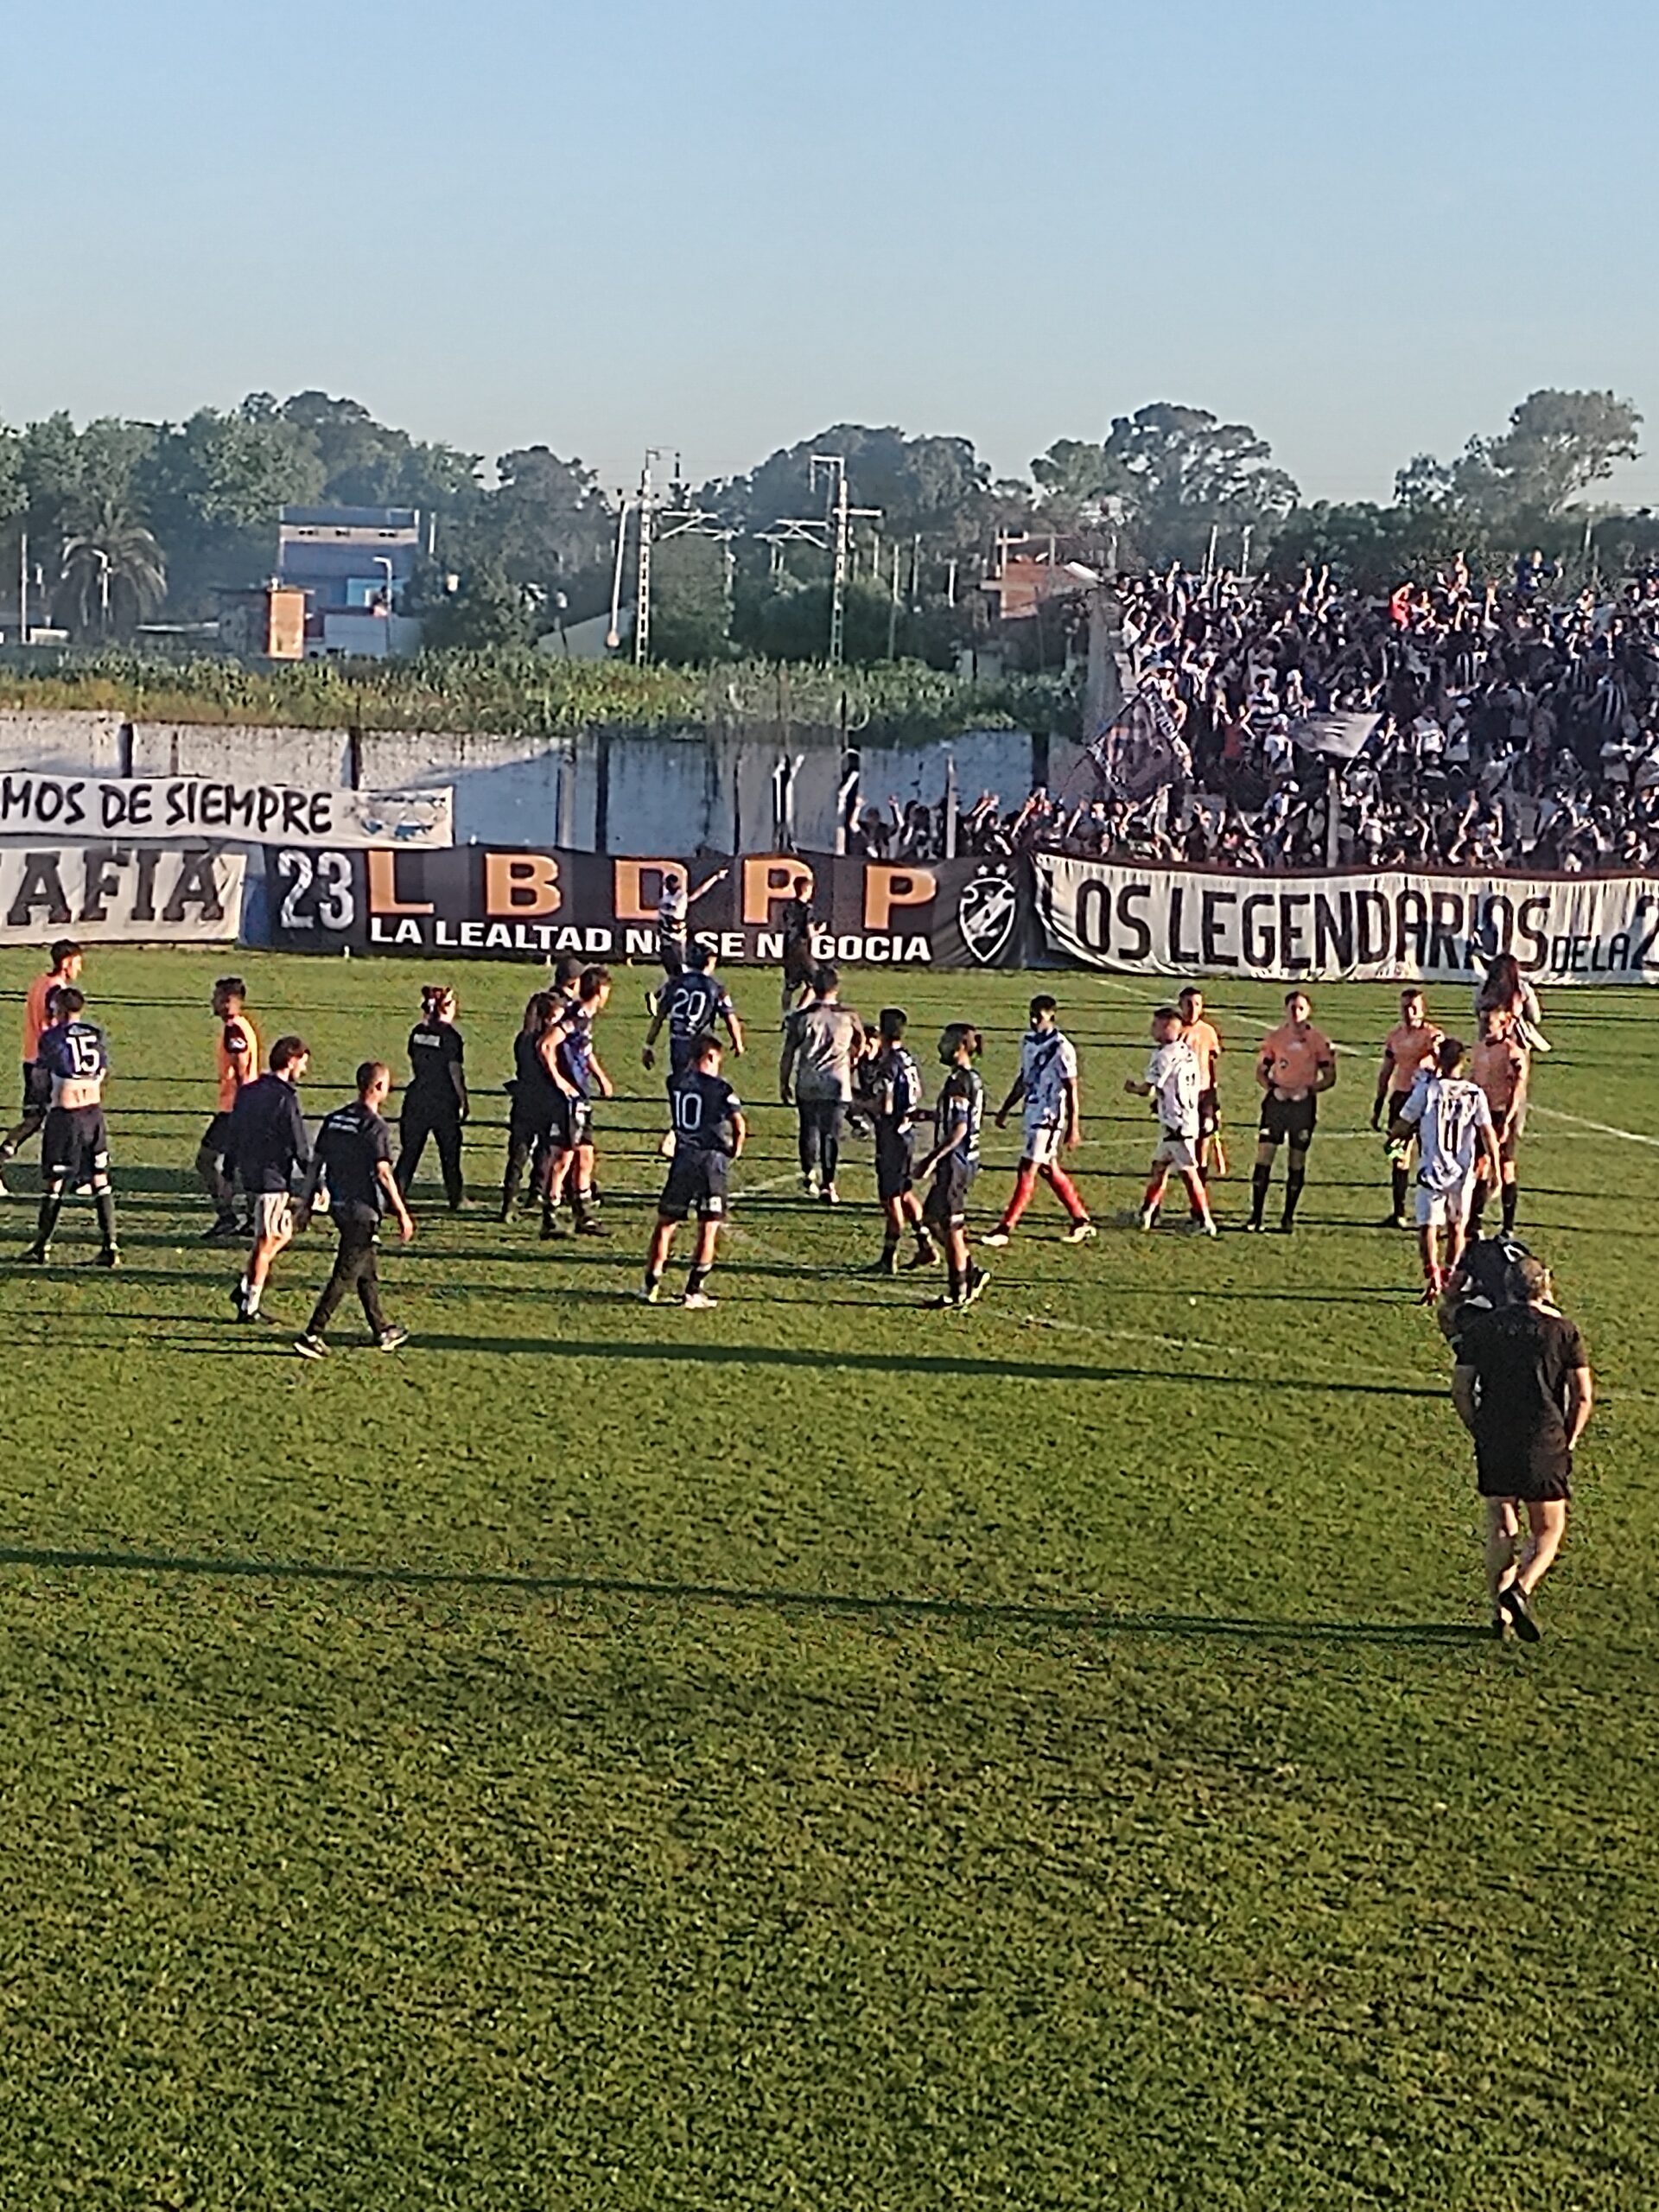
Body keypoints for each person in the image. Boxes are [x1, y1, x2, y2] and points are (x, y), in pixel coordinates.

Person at [1451, 1254, 1592, 1641]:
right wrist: (1570, 1440)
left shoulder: (1482, 1329)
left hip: (1496, 1435)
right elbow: (1582, 1397)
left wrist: (1478, 1428)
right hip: (1544, 1438)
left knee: (1500, 1521)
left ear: (1508, 1288)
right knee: (1548, 1529)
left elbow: (1461, 1389)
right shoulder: (1564, 1332)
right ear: (1544, 1287)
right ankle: (1521, 1589)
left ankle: (1500, 1613)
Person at [294, 1061, 414, 1359]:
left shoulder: (334, 1120)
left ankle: (381, 1329)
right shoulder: (375, 1127)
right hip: (363, 1211)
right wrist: (402, 1213)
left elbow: (315, 1164)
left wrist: (306, 1203)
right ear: (378, 1088)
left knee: (365, 1272)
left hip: (338, 1205)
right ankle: (313, 1333)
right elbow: (384, 1174)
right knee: (345, 1273)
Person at [640, 1033, 747, 1308]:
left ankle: (650, 1285)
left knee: (666, 1223)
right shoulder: (722, 1088)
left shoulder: (674, 1083)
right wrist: (735, 1148)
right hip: (711, 1161)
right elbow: (738, 1124)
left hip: (683, 1158)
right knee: (708, 1227)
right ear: (710, 1057)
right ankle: (693, 1291)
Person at [1392, 1035, 1502, 1301]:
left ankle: (1433, 1277)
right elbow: (1488, 1134)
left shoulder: (1428, 1091)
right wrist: (1496, 1170)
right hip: (1462, 1174)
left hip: (1433, 1170)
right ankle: (1451, 1276)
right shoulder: (1474, 1093)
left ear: (1440, 1060)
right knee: (1457, 1227)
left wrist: (1393, 1138)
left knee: (1428, 1227)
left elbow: (1403, 1123)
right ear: (1462, 1063)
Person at [982, 995, 1094, 1248]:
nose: (1033, 1020)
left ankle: (1005, 1228)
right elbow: (1025, 1077)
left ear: (1051, 1016)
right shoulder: (1028, 1041)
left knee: (1027, 1168)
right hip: (1032, 1111)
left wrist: (1073, 1125)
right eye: (1031, 1014)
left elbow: (1071, 1087)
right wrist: (1005, 1109)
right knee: (1048, 1168)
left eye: (1039, 1016)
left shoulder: (1062, 1047)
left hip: (1049, 1116)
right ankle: (1081, 1219)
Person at [23, 987, 118, 1268]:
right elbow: (102, 1069)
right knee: (100, 1178)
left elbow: (41, 1076)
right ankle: (110, 1244)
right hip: (94, 1113)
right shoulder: (94, 1033)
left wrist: (36, 1105)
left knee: (55, 1181)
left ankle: (42, 1245)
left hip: (66, 1115)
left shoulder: (52, 1038)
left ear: (60, 1008)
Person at [225, 1035, 311, 1321]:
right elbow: (299, 1145)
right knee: (265, 1241)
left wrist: (229, 1167)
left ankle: (245, 1285)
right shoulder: (285, 1098)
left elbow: (234, 1130)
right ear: (291, 1060)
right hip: (273, 1178)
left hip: (250, 1172)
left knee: (281, 1232)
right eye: (303, 1063)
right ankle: (249, 1305)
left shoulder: (249, 1091)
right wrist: (315, 1182)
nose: (304, 1070)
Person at [1248, 989, 1337, 1233]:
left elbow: (1330, 1077)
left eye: (1300, 1008)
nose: (1295, 1013)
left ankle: (1288, 1217)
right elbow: (1260, 1072)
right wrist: (1273, 1089)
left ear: (1308, 1011)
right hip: (1276, 1104)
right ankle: (1256, 1216)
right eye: (1292, 1008)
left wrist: (1308, 1091)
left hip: (1302, 1106)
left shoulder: (1318, 1040)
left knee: (1296, 1160)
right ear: (1285, 1010)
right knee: (1265, 1155)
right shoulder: (1275, 1038)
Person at [913, 1022, 988, 1310]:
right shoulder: (969, 1078)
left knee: (952, 1227)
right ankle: (971, 1271)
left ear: (959, 1047)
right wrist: (931, 1115)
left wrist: (931, 1159)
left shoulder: (959, 1082)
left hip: (955, 1163)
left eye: (945, 1042)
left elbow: (959, 1128)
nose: (940, 1047)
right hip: (964, 1160)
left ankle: (958, 1292)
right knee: (932, 1219)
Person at [1124, 1004, 1217, 1236]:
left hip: (1177, 1124)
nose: (1151, 1029)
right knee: (1159, 1166)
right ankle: (1147, 1212)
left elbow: (1149, 1090)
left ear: (1168, 1027)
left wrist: (1132, 1088)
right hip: (1184, 1118)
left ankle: (1205, 1220)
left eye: (1155, 1025)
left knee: (1188, 1171)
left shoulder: (1163, 1055)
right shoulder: (1187, 1052)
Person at [0, 938, 83, 1192]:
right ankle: (79, 1175)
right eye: (78, 963)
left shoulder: (39, 982)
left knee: (35, 1118)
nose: (80, 969)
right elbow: (57, 1025)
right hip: (48, 1064)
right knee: (72, 1116)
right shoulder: (57, 991)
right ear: (67, 962)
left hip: (32, 1058)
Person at [779, 963, 865, 1205]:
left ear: (814, 989)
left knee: (808, 1129)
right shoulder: (848, 1016)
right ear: (836, 988)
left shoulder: (801, 1018)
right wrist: (853, 1057)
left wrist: (783, 1082)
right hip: (837, 1082)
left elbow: (788, 1053)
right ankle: (829, 1184)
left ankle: (808, 1173)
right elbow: (861, 1039)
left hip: (808, 1080)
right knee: (831, 1135)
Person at [861, 1007, 937, 1274]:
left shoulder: (889, 1064)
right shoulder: (907, 1059)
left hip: (892, 1137)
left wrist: (857, 1103)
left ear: (881, 1032)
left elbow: (886, 1105)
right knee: (904, 1193)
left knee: (891, 1198)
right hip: (907, 1134)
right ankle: (925, 1244)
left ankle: (888, 1257)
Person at [541, 965, 614, 1237]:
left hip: (582, 1096)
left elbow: (585, 1050)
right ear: (600, 991)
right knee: (565, 1157)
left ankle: (584, 1216)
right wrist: (560, 1080)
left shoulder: (586, 1019)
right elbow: (547, 1045)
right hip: (569, 1100)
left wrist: (601, 1078)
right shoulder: (575, 1017)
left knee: (586, 1156)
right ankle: (549, 1216)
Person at [1372, 988, 1444, 1230]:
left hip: (1425, 1100)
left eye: (1413, 1006)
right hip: (1401, 1099)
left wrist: (1434, 1056)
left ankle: (1431, 1215)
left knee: (1429, 1157)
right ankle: (1399, 1211)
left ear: (1423, 1009)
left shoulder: (1432, 1036)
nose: (1408, 1011)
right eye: (1404, 1006)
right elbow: (1386, 1070)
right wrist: (1379, 1102)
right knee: (1396, 1153)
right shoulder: (1396, 1036)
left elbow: (1443, 1063)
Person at [196, 977, 260, 1242]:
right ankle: (252, 1218)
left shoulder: (234, 1031)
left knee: (206, 1160)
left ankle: (227, 1216)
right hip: (241, 1107)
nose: (213, 1002)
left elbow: (243, 1071)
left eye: (217, 997)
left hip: (235, 1110)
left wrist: (244, 1110)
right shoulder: (240, 1026)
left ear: (229, 1002)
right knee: (239, 1166)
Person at [396, 984, 467, 1210]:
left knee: (410, 1152)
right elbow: (454, 1070)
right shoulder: (451, 1037)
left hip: (417, 1096)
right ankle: (456, 1198)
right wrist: (463, 1099)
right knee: (449, 1153)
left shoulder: (417, 1032)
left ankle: (396, 1195)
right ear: (447, 1007)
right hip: (443, 1101)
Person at [1468, 1004, 1529, 1236]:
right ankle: (1475, 1223)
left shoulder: (1512, 1052)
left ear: (1503, 1025)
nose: (1483, 1026)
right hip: (1480, 1115)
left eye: (1488, 1022)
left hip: (1501, 1114)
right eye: (1481, 1021)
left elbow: (1517, 1088)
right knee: (1479, 1166)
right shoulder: (1479, 1047)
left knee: (1505, 1169)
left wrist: (1507, 1120)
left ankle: (1508, 1227)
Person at [499, 991, 562, 1221]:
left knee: (517, 1155)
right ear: (547, 1018)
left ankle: (509, 1202)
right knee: (544, 1150)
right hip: (545, 1103)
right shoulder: (548, 1043)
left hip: (523, 1101)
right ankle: (537, 1192)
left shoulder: (523, 1039)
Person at [642, 944, 744, 1077]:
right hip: (701, 1043)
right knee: (704, 1085)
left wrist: (649, 1044)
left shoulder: (675, 983)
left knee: (682, 1083)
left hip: (677, 1041)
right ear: (709, 962)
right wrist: (738, 1042)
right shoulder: (715, 987)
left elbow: (659, 1016)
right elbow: (729, 1017)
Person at [1177, 986, 1225, 1189]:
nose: (1192, 1009)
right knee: (1180, 1143)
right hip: (1182, 1094)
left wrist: (1214, 1097)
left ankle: (1200, 1188)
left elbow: (1211, 1062)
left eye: (1197, 1004)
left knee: (1204, 1137)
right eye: (1188, 1004)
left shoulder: (1208, 1032)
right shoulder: (1176, 1030)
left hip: (1203, 1092)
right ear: (1180, 1005)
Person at [656, 865, 728, 978]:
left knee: (680, 963)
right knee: (671, 965)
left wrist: (715, 878)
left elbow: (699, 892)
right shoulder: (666, 897)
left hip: (677, 935)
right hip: (666, 935)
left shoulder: (680, 896)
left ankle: (687, 978)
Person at [1475, 952, 1550, 1055]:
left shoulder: (1483, 988)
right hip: (1518, 1038)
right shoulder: (1522, 988)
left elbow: (1477, 1010)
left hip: (1488, 1038)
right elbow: (1535, 1017)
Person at [779, 874, 817, 1017]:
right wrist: (820, 930)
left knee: (789, 986)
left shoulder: (789, 907)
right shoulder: (807, 909)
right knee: (815, 983)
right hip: (802, 948)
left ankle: (786, 1015)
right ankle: (799, 1013)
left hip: (789, 947)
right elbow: (810, 932)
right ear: (806, 890)